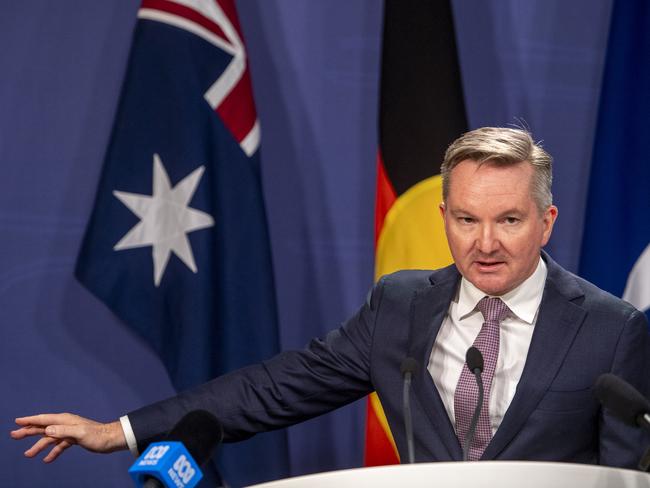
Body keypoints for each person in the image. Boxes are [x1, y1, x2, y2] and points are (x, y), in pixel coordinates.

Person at [12, 127, 650, 467]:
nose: (484, 243)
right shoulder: (400, 308)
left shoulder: (612, 328)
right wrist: (119, 430)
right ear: (444, 217)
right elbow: (273, 389)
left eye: (508, 220)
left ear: (547, 222)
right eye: (465, 219)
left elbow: (630, 476)